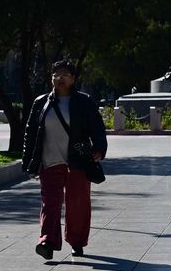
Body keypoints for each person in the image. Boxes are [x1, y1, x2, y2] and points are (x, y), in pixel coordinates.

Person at [21, 59, 108, 259]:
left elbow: (97, 127)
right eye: (56, 74)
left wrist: (99, 148)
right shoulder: (41, 102)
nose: (60, 78)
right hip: (49, 160)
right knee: (49, 203)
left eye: (65, 75)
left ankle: (76, 241)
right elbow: (31, 132)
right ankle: (47, 242)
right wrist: (28, 160)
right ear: (51, 78)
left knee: (77, 204)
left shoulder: (84, 102)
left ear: (73, 79)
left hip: (77, 161)